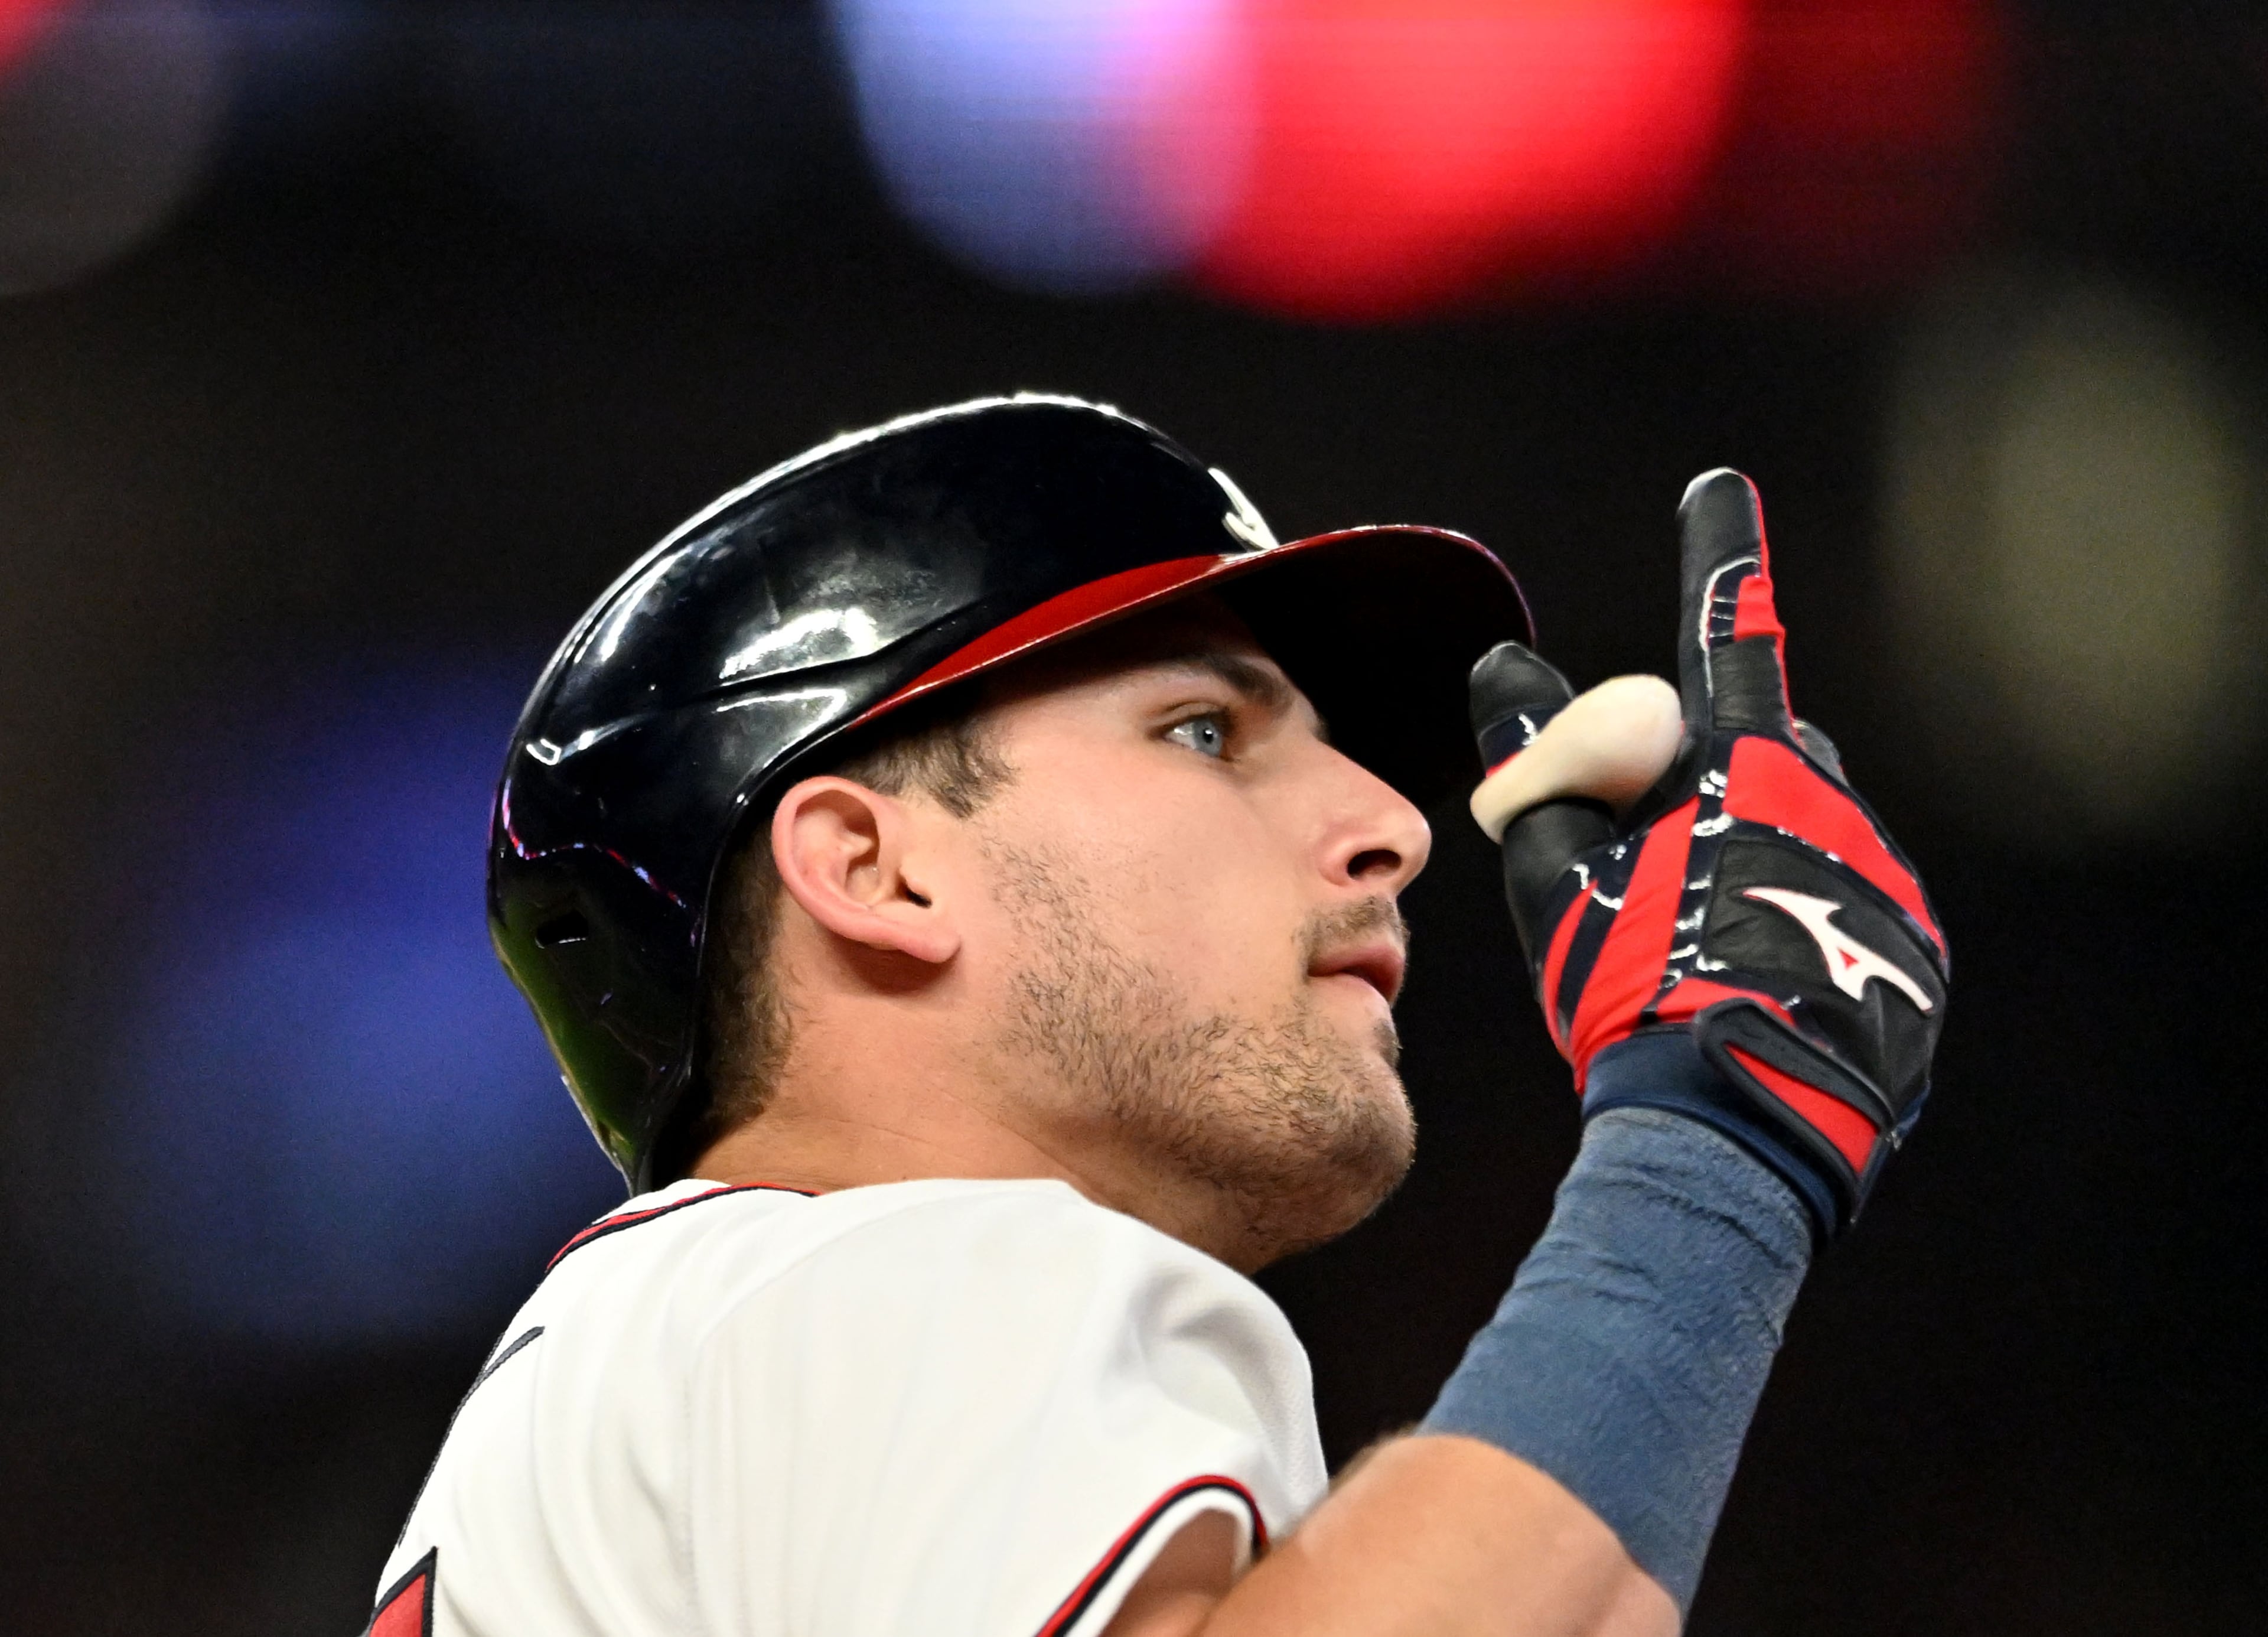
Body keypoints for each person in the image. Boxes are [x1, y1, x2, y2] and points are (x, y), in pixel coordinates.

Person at [369, 395, 1947, 1637]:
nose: (1393, 826)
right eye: (1201, 730)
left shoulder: (694, 1353)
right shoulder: (887, 1272)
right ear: (873, 868)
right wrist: (1710, 1150)